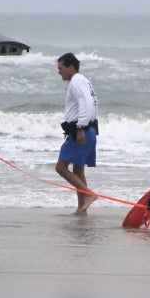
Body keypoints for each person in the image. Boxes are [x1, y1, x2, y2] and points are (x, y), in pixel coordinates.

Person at [55, 52, 99, 215]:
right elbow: (92, 104)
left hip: (82, 130)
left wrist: (80, 128)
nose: (59, 71)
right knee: (78, 170)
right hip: (89, 130)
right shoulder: (83, 80)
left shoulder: (77, 81)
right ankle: (82, 209)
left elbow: (86, 104)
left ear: (70, 67)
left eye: (60, 68)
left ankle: (89, 195)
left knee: (61, 167)